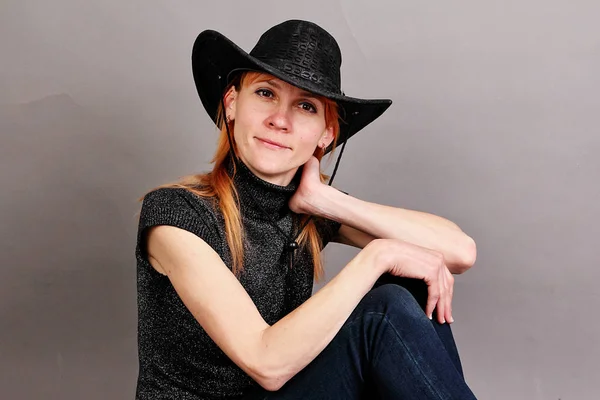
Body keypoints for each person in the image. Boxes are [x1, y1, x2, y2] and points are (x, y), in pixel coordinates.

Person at [134, 19, 478, 399]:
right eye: (265, 93)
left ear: (327, 133)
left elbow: (458, 253)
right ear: (232, 104)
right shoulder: (175, 214)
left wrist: (325, 200)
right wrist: (378, 255)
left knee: (411, 283)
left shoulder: (310, 211)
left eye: (306, 106)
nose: (279, 120)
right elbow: (264, 361)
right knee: (383, 310)